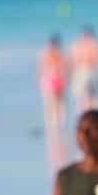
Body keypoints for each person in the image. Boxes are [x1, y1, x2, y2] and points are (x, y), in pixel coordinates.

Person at [40, 35, 70, 163]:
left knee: (51, 105)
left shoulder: (46, 54)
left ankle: (53, 128)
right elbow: (66, 68)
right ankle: (61, 126)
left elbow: (42, 69)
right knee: (60, 104)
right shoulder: (61, 54)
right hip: (59, 78)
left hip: (50, 78)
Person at [70, 28, 98, 113]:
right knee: (90, 98)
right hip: (88, 70)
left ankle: (88, 117)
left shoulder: (79, 45)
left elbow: (73, 61)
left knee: (87, 97)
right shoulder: (94, 45)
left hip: (86, 71)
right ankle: (91, 117)